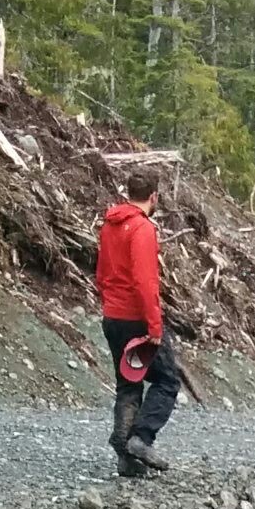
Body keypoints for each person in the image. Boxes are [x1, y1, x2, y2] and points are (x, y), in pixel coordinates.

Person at [95, 165, 182, 479]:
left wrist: (110, 303)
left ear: (128, 193)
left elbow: (102, 274)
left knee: (127, 384)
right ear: (154, 197)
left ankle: (125, 457)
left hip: (113, 317)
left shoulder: (109, 225)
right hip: (137, 319)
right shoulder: (143, 229)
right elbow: (145, 282)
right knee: (167, 381)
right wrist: (154, 326)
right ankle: (140, 440)